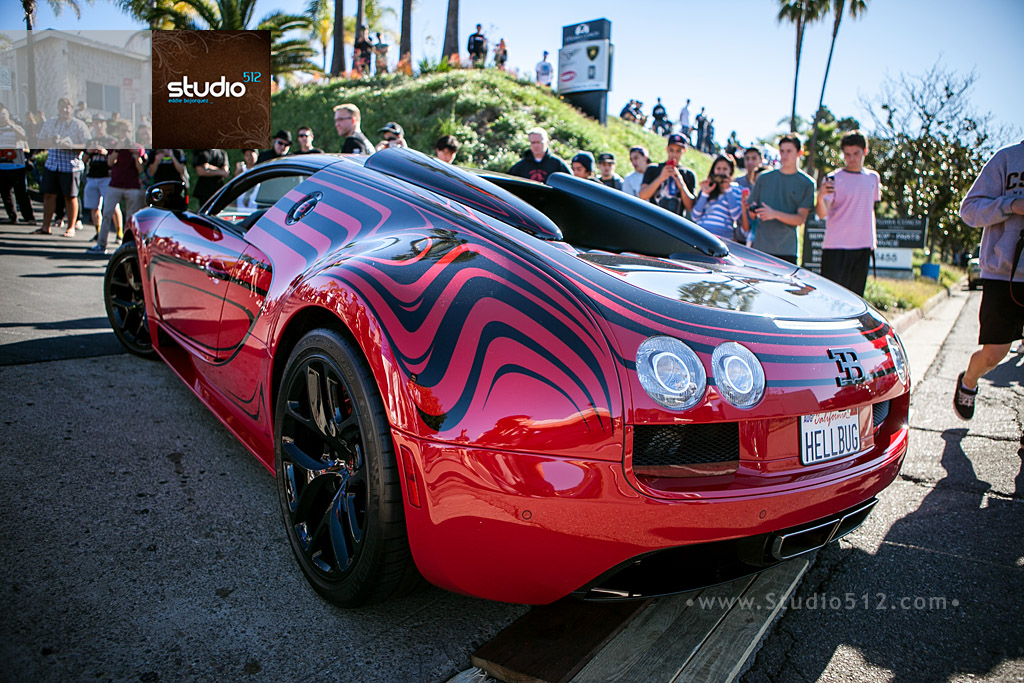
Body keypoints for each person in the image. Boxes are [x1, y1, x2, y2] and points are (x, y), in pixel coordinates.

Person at [951, 139, 1024, 421]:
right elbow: (969, 210)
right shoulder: (1007, 159)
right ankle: (969, 380)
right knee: (995, 353)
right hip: (1002, 275)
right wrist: (1013, 205)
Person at [814, 131, 882, 296]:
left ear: (865, 151)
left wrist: (872, 240)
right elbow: (823, 213)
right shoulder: (833, 178)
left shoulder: (873, 178)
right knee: (831, 297)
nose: (851, 158)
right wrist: (821, 196)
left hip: (863, 246)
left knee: (857, 298)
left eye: (856, 153)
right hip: (836, 247)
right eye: (847, 154)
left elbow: (869, 208)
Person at [745, 134, 815, 264]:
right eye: (782, 151)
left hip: (787, 251)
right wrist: (753, 210)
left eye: (789, 151)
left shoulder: (807, 183)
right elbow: (751, 214)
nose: (785, 155)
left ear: (799, 152)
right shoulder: (763, 178)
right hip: (761, 249)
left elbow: (800, 219)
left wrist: (774, 214)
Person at [34, 97, 90, 237]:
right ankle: (45, 226)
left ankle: (71, 227)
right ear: (58, 108)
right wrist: (51, 141)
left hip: (70, 166)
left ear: (72, 109)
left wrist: (71, 147)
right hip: (52, 164)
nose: (65, 110)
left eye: (67, 107)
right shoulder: (50, 123)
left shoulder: (79, 125)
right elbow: (40, 142)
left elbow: (88, 145)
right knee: (48, 195)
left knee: (70, 197)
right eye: (62, 106)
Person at [87, 121, 144, 255]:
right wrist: (118, 149)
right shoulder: (113, 145)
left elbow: (141, 169)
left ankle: (127, 248)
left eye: (127, 131)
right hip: (115, 185)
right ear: (118, 132)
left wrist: (136, 155)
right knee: (107, 214)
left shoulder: (138, 147)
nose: (125, 133)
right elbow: (110, 163)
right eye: (122, 130)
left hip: (132, 187)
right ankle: (101, 245)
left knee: (131, 219)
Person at [639, 133, 696, 218]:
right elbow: (642, 195)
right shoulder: (653, 168)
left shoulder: (688, 174)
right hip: (654, 219)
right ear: (667, 149)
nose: (674, 155)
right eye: (671, 150)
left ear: (684, 151)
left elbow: (691, 207)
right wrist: (661, 178)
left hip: (676, 223)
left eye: (678, 151)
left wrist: (682, 185)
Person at [691, 155, 744, 242]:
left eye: (725, 169)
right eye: (718, 168)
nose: (721, 172)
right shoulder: (707, 187)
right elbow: (695, 216)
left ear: (730, 171)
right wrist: (705, 193)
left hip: (723, 237)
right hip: (702, 233)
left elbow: (735, 216)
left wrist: (728, 190)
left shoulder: (737, 190)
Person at [0, 103, 35, 225]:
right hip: (2, 165)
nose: (2, 117)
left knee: (21, 192)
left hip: (16, 165)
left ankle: (29, 218)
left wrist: (11, 126)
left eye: (4, 114)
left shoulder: (16, 127)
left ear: (8, 115)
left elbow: (25, 138)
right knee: (5, 193)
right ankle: (12, 216)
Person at [83, 117, 117, 239]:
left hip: (107, 177)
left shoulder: (112, 141)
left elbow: (116, 159)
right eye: (96, 123)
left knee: (113, 207)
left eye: (101, 123)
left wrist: (105, 152)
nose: (98, 125)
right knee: (94, 207)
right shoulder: (91, 141)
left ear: (105, 125)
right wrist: (89, 151)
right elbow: (83, 160)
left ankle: (119, 234)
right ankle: (98, 233)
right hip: (92, 176)